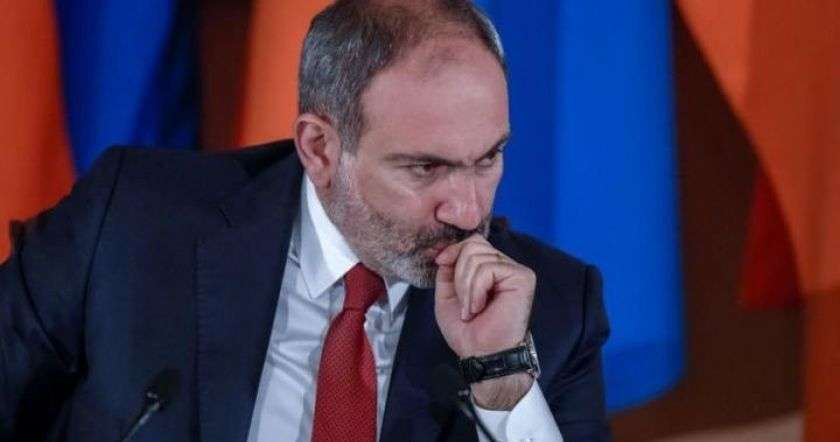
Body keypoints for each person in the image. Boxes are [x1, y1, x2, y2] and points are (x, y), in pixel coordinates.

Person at [0, 1, 610, 441]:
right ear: (319, 148)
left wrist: (500, 378)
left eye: (488, 159)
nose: (469, 211)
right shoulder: (130, 224)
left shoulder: (549, 312)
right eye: (425, 168)